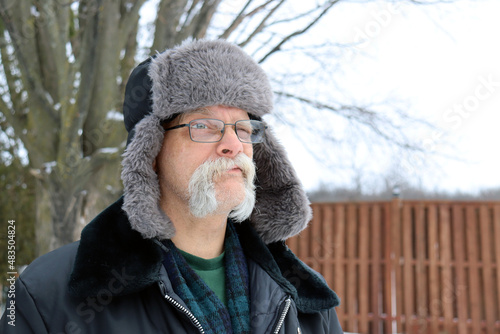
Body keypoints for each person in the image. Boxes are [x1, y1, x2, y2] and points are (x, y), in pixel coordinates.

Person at [1, 39, 343, 333]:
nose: (233, 145)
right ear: (150, 152)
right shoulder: (48, 295)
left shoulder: (304, 299)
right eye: (205, 126)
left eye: (243, 128)